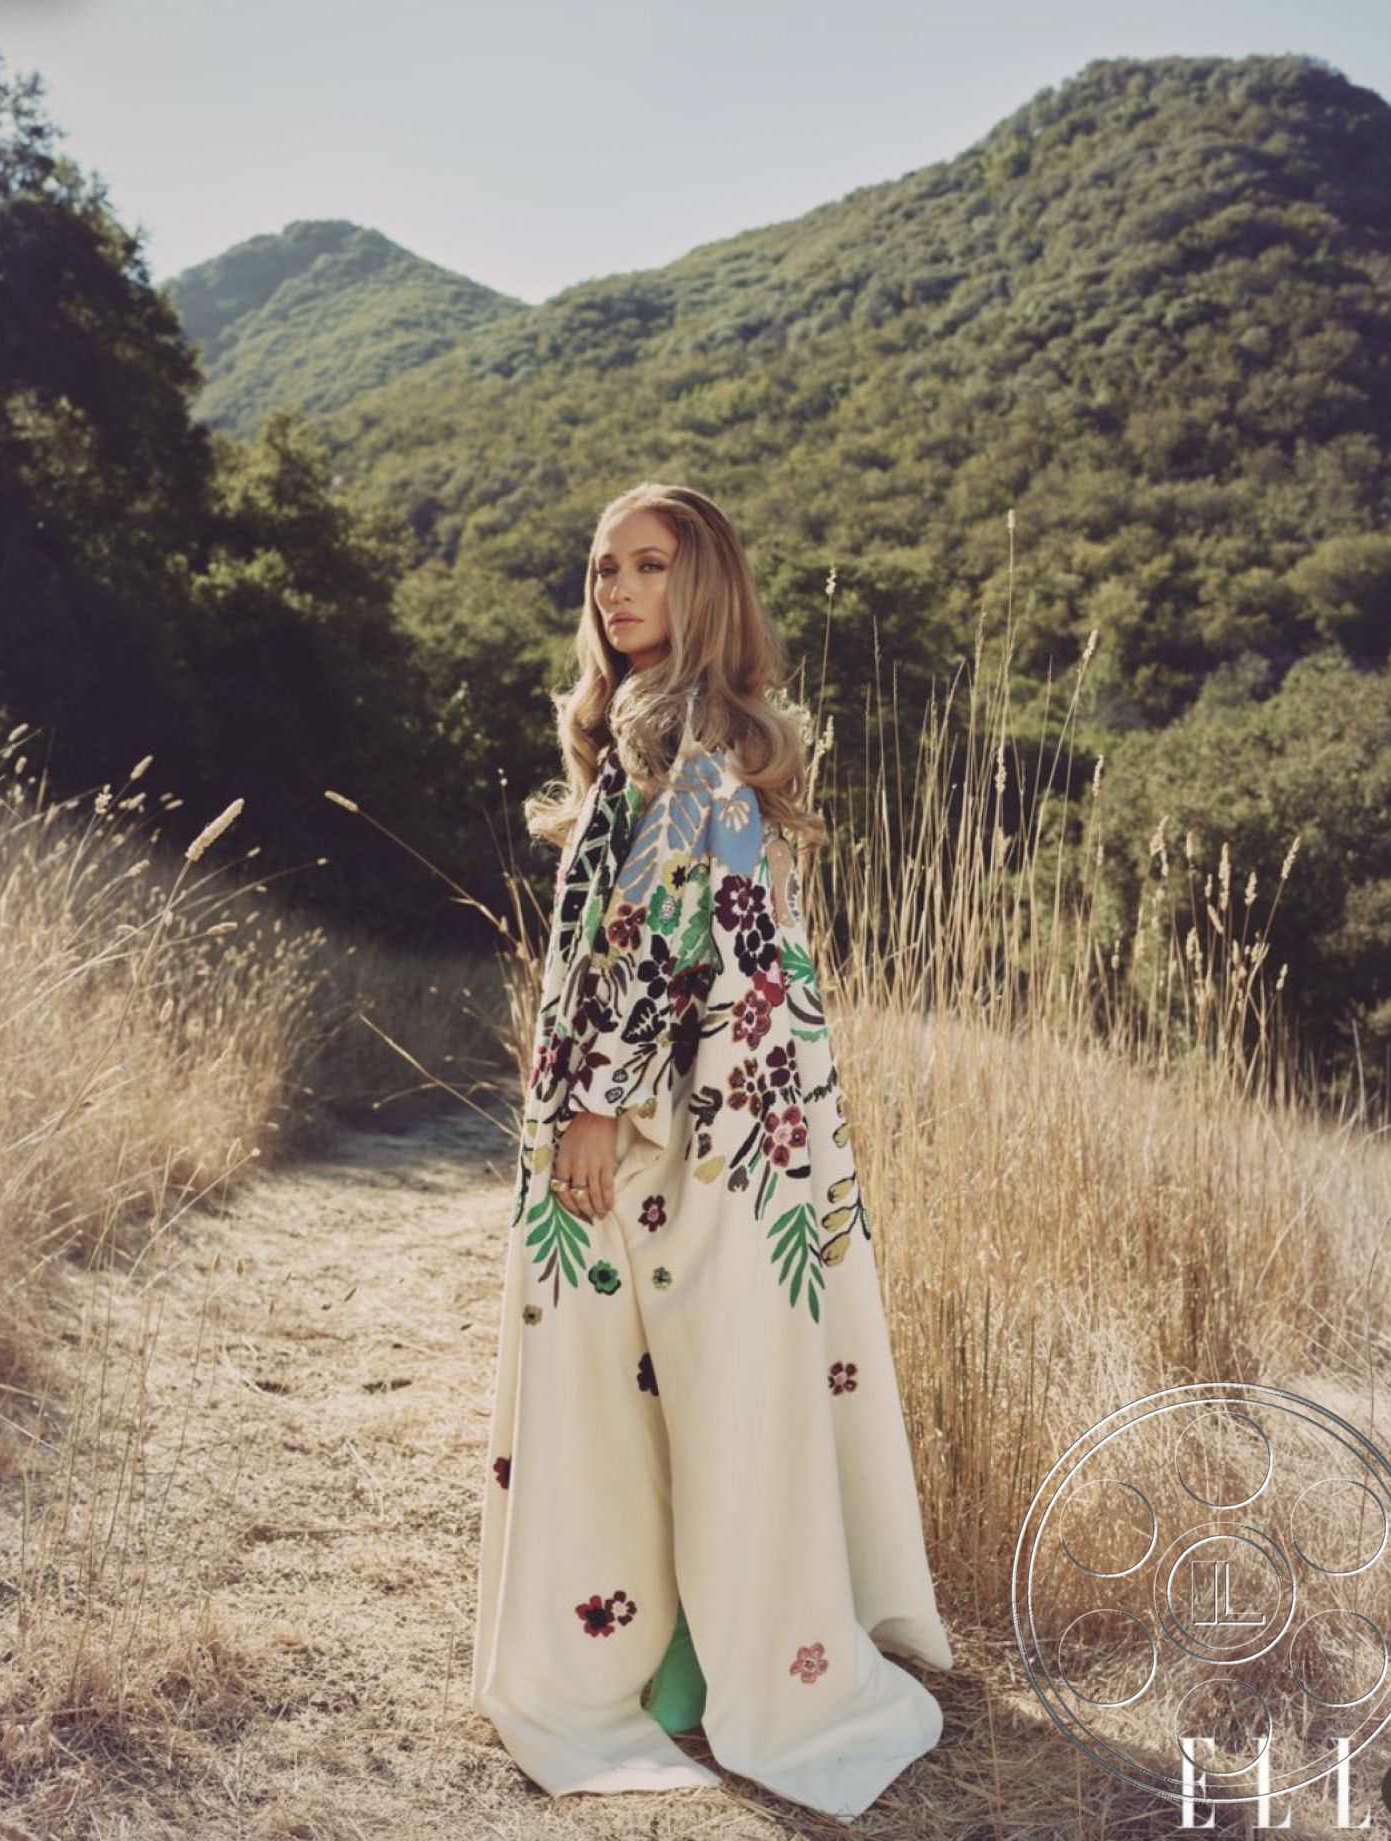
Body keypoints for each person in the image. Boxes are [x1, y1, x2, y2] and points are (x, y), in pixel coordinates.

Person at [469, 481, 953, 1824]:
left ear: (710, 585)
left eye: (649, 565)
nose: (617, 590)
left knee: (678, 1380)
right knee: (664, 1383)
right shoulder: (647, 738)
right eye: (601, 569)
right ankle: (666, 1650)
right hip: (680, 1125)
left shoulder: (701, 752)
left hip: (692, 1136)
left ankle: (688, 1657)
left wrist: (596, 1105)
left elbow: (669, 937)